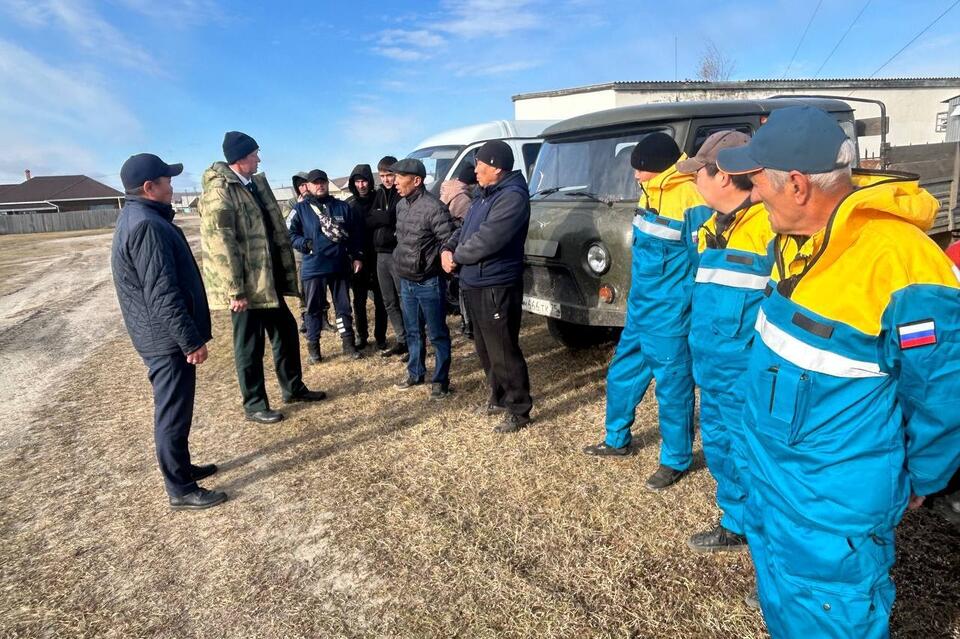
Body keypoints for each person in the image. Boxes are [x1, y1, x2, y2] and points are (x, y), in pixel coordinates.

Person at [716, 105, 960, 637]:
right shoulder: (793, 241)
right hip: (773, 480)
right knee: (784, 601)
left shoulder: (903, 262)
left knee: (828, 614)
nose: (752, 195)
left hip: (831, 504)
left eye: (757, 181)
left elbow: (944, 390)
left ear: (797, 185)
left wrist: (922, 476)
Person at [582, 132, 712, 493]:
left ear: (662, 168)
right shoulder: (650, 191)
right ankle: (616, 438)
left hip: (670, 316)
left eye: (642, 171)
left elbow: (702, 263)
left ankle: (675, 459)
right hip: (640, 310)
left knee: (673, 390)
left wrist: (690, 311)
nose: (637, 177)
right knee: (622, 373)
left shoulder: (690, 196)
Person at [675, 131, 775, 552]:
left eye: (698, 171)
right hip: (713, 372)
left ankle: (772, 556)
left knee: (757, 462)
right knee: (720, 447)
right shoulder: (712, 226)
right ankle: (736, 523)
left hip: (746, 377)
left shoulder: (768, 229)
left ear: (725, 177)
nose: (692, 179)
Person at [111, 153, 226, 510]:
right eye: (167, 181)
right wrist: (189, 339)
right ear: (149, 187)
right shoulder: (145, 225)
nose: (172, 186)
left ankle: (182, 466)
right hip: (165, 339)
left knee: (177, 408)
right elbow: (162, 293)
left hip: (161, 335)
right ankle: (180, 487)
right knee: (172, 411)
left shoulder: (140, 217)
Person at [199, 131, 326, 424]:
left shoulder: (252, 184)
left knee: (285, 330)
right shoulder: (221, 190)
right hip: (245, 287)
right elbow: (221, 243)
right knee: (249, 345)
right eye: (255, 153)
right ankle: (255, 404)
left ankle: (293, 387)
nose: (259, 158)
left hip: (265, 282)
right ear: (241, 158)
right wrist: (235, 290)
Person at [442, 143, 532, 433]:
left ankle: (519, 409)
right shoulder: (483, 196)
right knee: (484, 347)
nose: (475, 170)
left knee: (503, 348)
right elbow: (464, 229)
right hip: (474, 281)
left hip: (496, 283)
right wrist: (448, 247)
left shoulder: (512, 197)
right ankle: (499, 397)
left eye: (480, 164)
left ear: (496, 167)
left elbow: (489, 239)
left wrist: (457, 257)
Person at [391, 158, 456, 398]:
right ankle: (415, 372)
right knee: (412, 330)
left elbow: (447, 240)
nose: (396, 182)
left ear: (416, 180)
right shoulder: (401, 205)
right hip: (406, 280)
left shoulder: (434, 207)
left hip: (429, 282)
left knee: (437, 333)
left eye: (400, 177)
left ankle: (440, 381)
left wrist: (434, 263)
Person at [289, 169, 364, 362]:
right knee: (314, 308)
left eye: (322, 182)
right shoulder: (300, 209)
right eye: (315, 183)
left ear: (327, 184)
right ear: (308, 186)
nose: (320, 185)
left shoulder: (342, 207)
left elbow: (354, 235)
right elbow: (290, 234)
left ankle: (348, 343)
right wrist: (306, 244)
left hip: (339, 266)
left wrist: (356, 256)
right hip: (313, 267)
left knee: (343, 306)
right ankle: (314, 347)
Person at [369, 156, 408, 359]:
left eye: (389, 175)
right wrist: (381, 217)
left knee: (404, 298)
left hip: (396, 252)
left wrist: (381, 217)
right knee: (388, 301)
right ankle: (401, 339)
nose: (386, 179)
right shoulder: (379, 194)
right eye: (382, 175)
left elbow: (393, 217)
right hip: (380, 254)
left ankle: (413, 339)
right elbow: (369, 219)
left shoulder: (401, 194)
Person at [346, 164, 387, 351]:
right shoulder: (349, 205)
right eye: (357, 181)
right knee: (359, 300)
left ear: (370, 182)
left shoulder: (380, 198)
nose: (361, 185)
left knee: (381, 300)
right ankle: (362, 336)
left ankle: (381, 336)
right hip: (358, 259)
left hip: (378, 256)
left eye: (364, 181)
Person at [440, 162, 478, 338]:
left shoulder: (447, 189)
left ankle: (466, 322)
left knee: (458, 287)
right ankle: (468, 324)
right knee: (463, 290)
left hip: (448, 243)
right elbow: (469, 227)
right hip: (458, 245)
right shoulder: (464, 198)